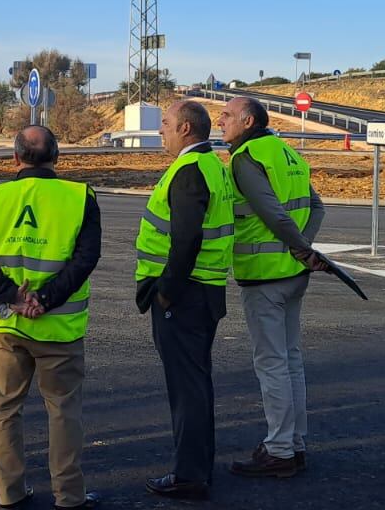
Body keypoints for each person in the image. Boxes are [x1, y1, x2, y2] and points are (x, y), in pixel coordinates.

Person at [0, 125, 102, 510]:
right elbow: (85, 260)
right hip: (60, 327)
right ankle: (69, 496)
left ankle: (9, 493)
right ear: (57, 157)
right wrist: (45, 300)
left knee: (5, 410)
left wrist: (13, 298)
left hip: (8, 326)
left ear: (15, 157)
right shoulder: (79, 198)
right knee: (63, 412)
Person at [216, 97, 328, 479]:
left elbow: (272, 213)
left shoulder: (246, 158)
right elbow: (317, 205)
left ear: (248, 121)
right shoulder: (287, 153)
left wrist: (299, 247)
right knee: (290, 358)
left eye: (227, 116)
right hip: (293, 274)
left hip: (264, 275)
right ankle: (294, 443)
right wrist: (304, 250)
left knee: (271, 363)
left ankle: (279, 449)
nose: (221, 120)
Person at [135, 100, 235, 501]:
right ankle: (199, 465)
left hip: (186, 295)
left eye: (166, 124)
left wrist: (165, 292)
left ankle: (190, 474)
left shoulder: (190, 170)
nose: (161, 130)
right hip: (203, 291)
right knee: (196, 383)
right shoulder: (212, 166)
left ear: (187, 130)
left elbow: (186, 239)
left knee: (187, 388)